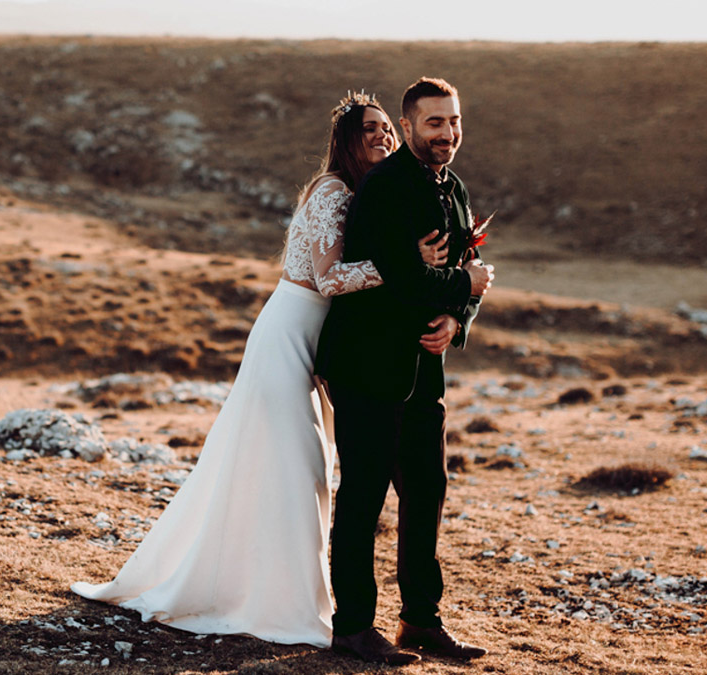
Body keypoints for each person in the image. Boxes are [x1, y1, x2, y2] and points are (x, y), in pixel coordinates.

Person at [71, 92, 449, 647]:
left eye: (387, 129)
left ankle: (272, 590)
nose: (382, 137)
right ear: (345, 139)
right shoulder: (332, 191)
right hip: (290, 333)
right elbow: (328, 280)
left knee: (297, 470)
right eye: (369, 129)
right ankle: (272, 602)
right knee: (292, 468)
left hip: (319, 339)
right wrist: (407, 264)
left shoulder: (366, 192)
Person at [315, 77, 494, 666]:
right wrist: (463, 285)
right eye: (435, 123)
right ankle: (353, 630)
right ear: (410, 125)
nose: (448, 132)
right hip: (367, 363)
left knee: (427, 490)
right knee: (363, 497)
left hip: (423, 366)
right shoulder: (388, 187)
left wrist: (456, 318)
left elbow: (461, 269)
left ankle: (420, 621)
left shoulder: (456, 186)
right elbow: (403, 275)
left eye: (454, 121)